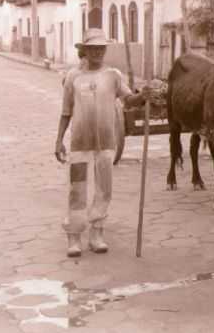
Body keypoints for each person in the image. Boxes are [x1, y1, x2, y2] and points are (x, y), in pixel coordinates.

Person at [55, 28, 150, 257]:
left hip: (106, 143)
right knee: (77, 191)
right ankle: (74, 235)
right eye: (93, 48)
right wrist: (59, 140)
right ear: (85, 50)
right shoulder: (72, 77)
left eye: (101, 48)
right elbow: (66, 111)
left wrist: (145, 95)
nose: (97, 52)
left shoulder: (113, 75)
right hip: (79, 143)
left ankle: (97, 233)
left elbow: (129, 100)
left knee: (103, 189)